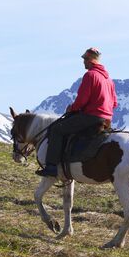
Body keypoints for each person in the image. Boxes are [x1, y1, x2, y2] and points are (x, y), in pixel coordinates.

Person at [36, 47, 118, 177]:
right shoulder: (109, 80)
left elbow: (82, 99)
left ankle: (51, 167)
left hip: (91, 117)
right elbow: (114, 103)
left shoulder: (90, 75)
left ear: (91, 60)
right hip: (106, 119)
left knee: (57, 129)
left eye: (85, 59)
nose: (83, 62)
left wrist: (72, 108)